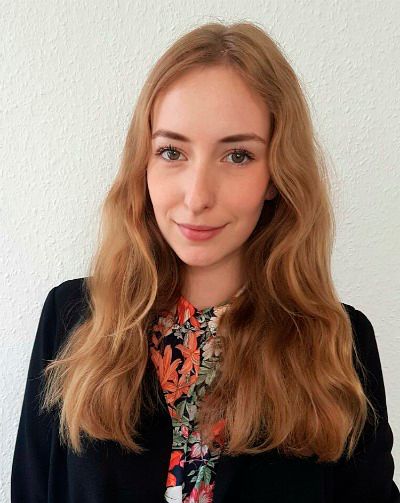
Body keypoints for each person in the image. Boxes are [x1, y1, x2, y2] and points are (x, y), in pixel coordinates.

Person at [11, 20, 399, 503]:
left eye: (237, 156)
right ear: (143, 163)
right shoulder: (73, 318)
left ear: (277, 175)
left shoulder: (338, 342)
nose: (197, 197)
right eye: (172, 151)